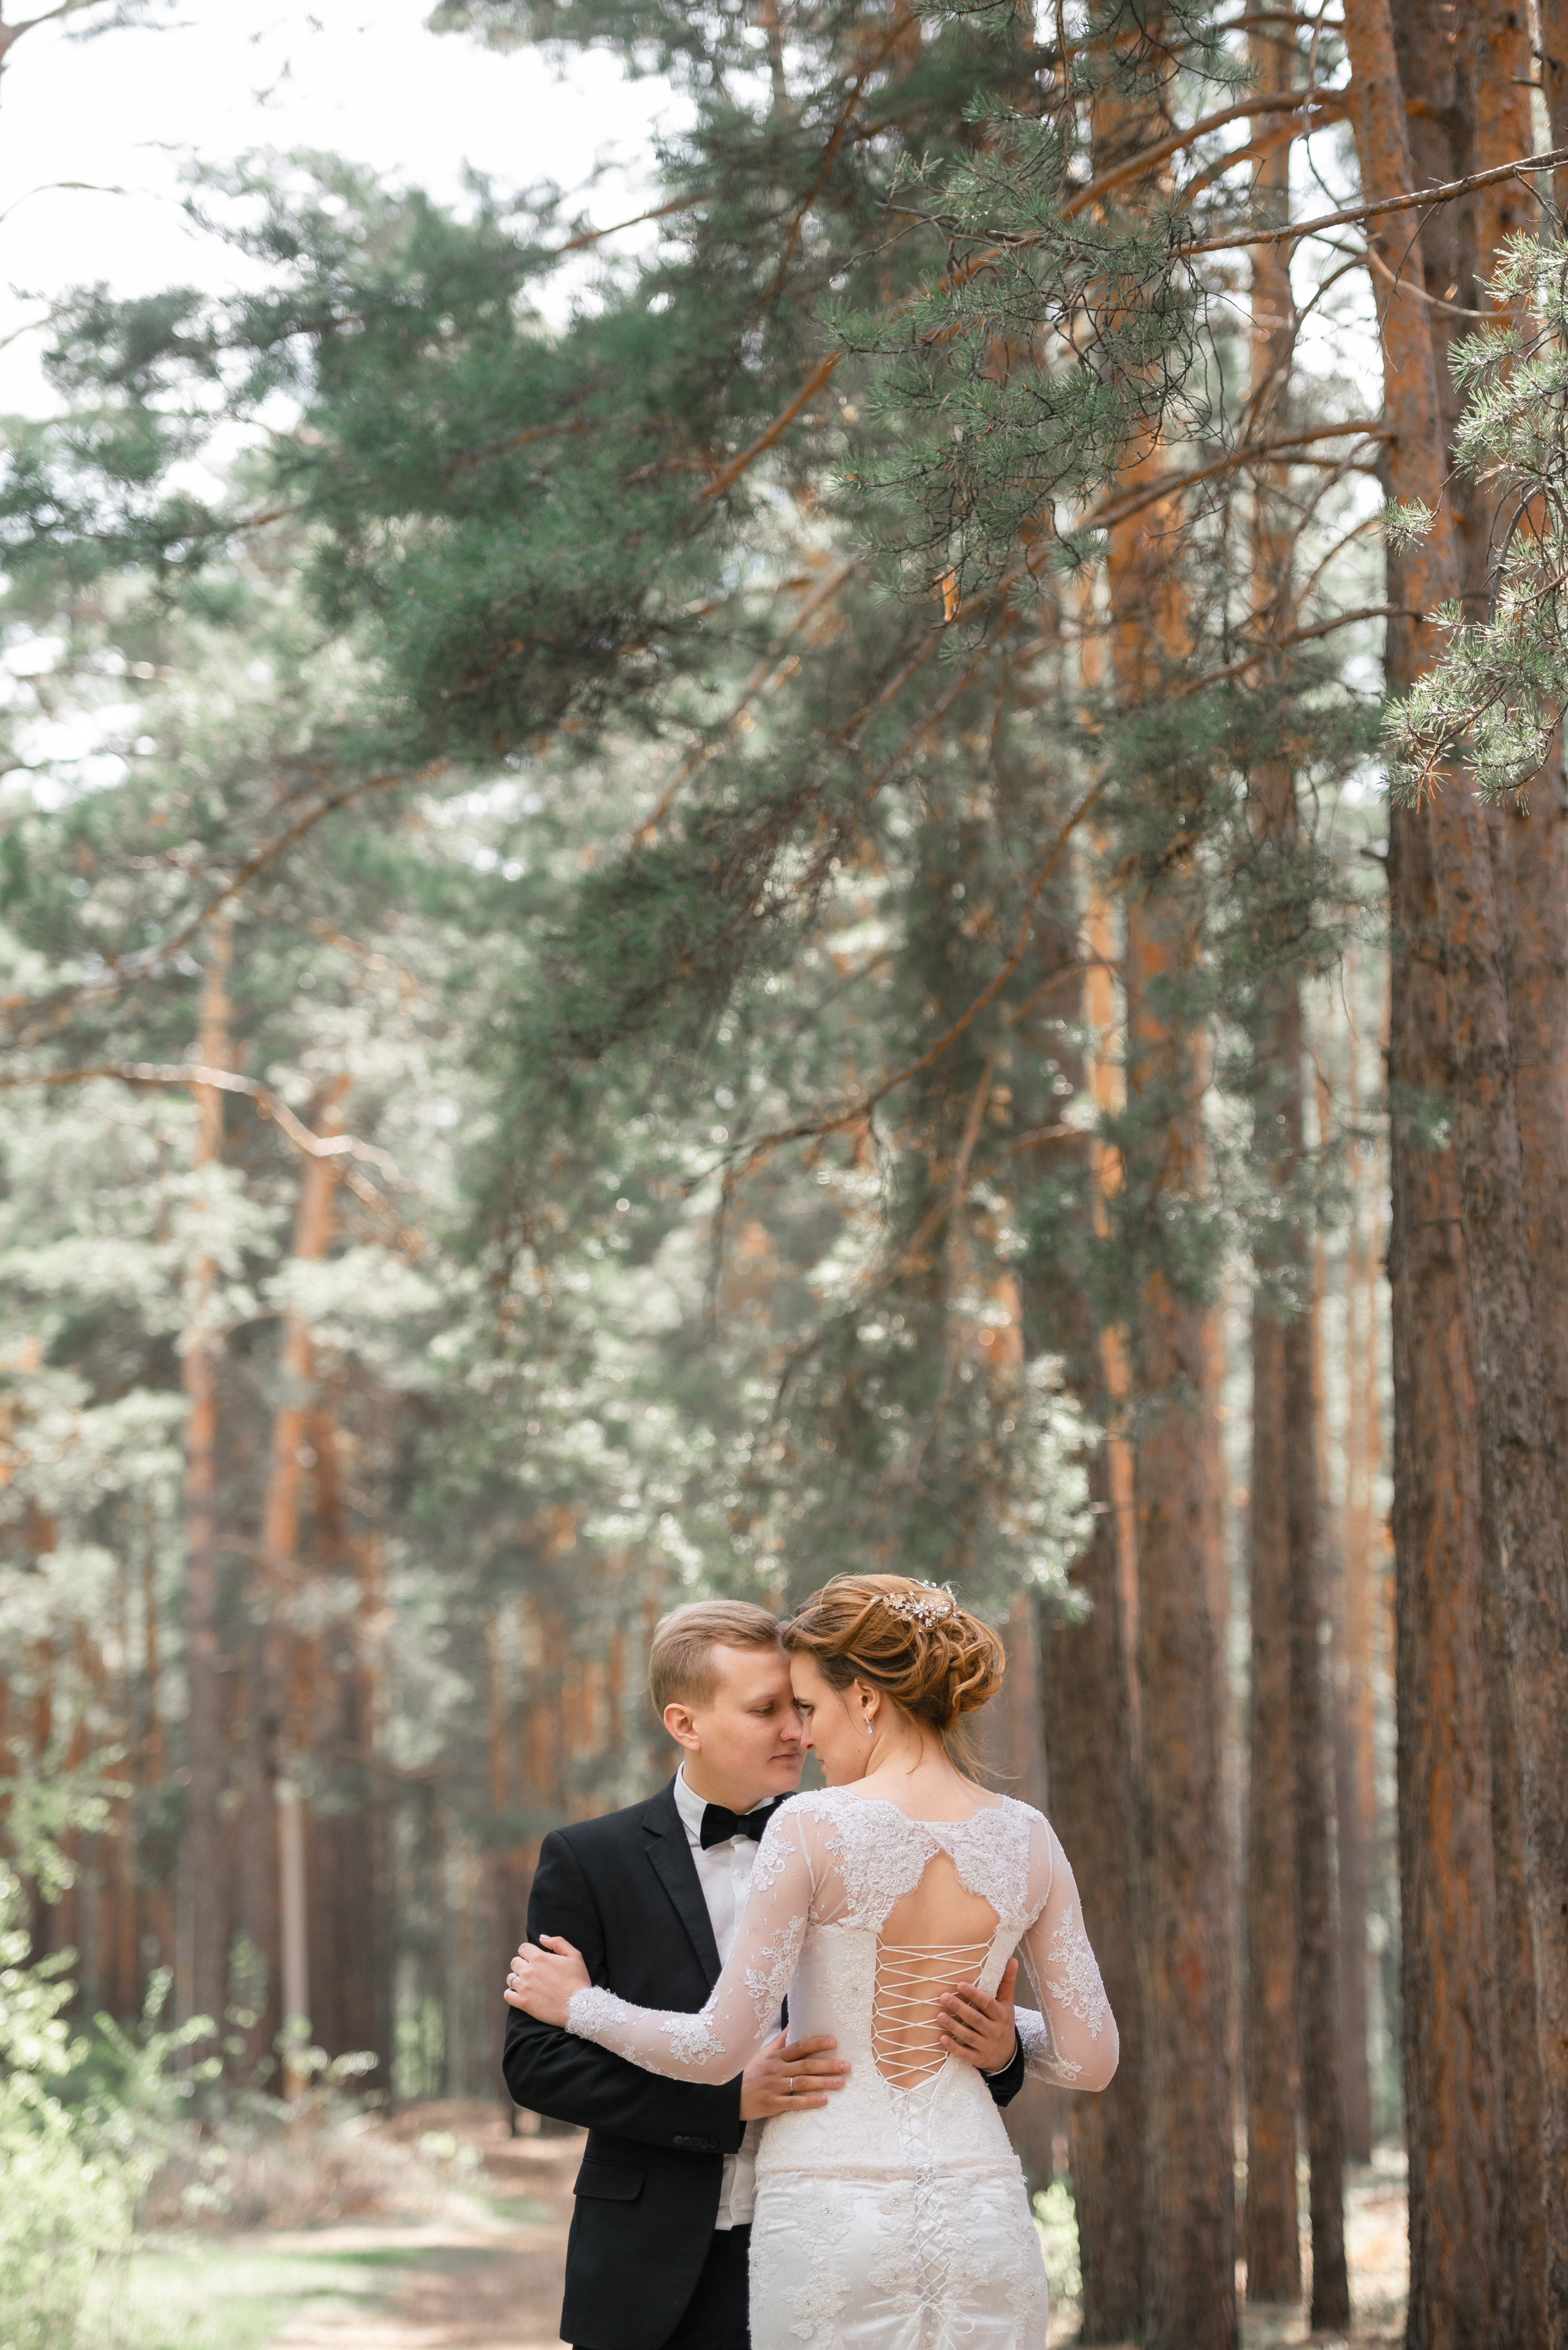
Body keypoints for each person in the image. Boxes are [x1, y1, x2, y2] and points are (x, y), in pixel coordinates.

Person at [507, 1574, 1117, 2348]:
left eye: (807, 1707)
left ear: (864, 1699)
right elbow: (1090, 2056)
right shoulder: (1027, 1831)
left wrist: (580, 2003)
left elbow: (714, 2045)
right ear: (683, 1722)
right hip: (966, 2213)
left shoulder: (810, 1824)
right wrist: (1009, 2031)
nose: (801, 1732)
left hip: (825, 2216)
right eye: (771, 1710)